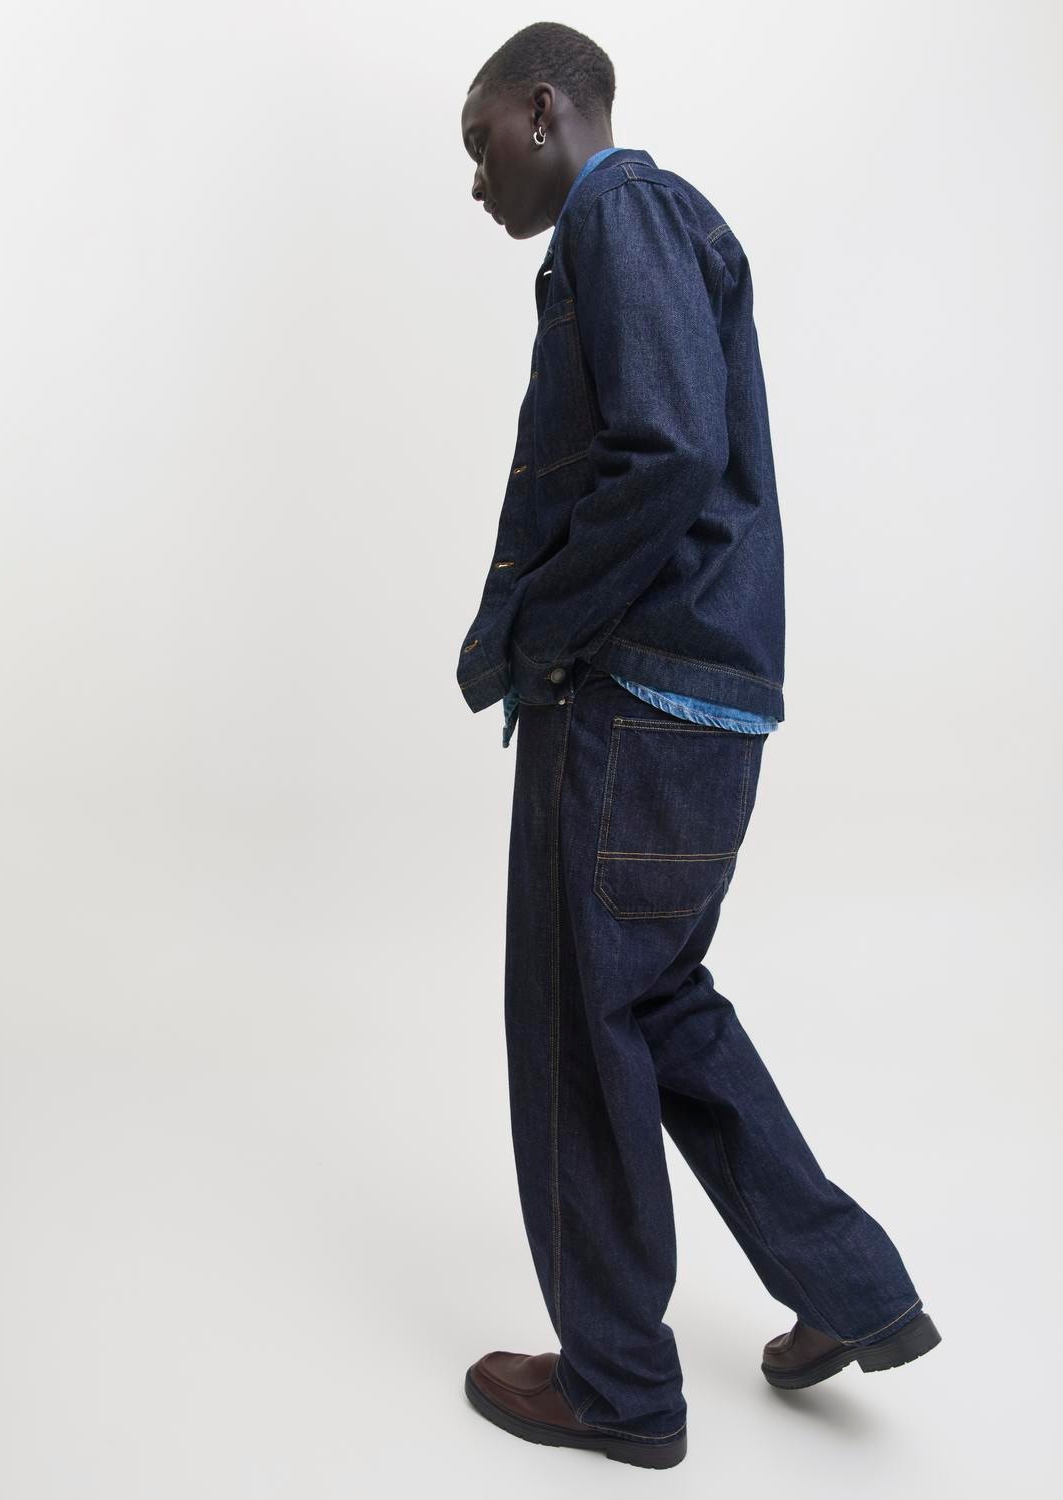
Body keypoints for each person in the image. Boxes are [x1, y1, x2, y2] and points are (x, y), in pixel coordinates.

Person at [455, 22, 940, 1471]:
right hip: (699, 705)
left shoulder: (620, 215)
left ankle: (616, 1384)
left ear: (545, 108)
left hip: (628, 702)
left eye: (479, 141)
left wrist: (545, 632)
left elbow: (665, 448)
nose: (474, 179)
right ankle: (850, 1288)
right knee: (657, 1002)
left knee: (574, 1027)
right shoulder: (655, 227)